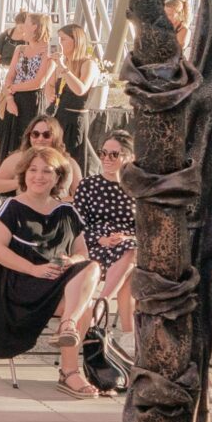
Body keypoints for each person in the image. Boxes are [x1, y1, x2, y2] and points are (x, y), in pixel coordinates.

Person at [0, 148, 97, 395]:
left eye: (47, 171)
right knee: (84, 306)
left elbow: (83, 253)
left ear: (58, 177)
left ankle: (67, 330)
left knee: (92, 268)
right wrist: (34, 270)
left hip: (55, 281)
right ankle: (70, 372)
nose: (39, 176)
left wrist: (70, 260)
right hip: (19, 284)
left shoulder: (66, 211)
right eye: (33, 170)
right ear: (24, 174)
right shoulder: (11, 208)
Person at [78, 129, 138, 343]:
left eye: (114, 154)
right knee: (129, 267)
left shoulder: (136, 190)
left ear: (129, 157)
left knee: (131, 252)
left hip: (127, 245)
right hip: (95, 246)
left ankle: (99, 305)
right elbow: (79, 224)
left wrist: (126, 237)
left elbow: (143, 228)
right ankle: (129, 335)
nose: (106, 158)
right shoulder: (88, 185)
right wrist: (100, 238)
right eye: (103, 153)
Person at [0, 12, 54, 153]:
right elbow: (10, 75)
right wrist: (9, 99)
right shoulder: (20, 49)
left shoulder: (50, 50)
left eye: (26, 23)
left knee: (29, 140)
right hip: (14, 99)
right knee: (12, 141)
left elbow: (38, 82)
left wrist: (11, 88)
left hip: (33, 100)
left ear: (35, 26)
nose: (21, 28)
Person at [51, 24, 102, 153]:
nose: (60, 44)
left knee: (72, 156)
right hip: (59, 115)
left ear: (76, 41)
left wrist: (63, 68)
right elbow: (50, 84)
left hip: (75, 118)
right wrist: (50, 94)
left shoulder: (88, 64)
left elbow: (80, 90)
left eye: (63, 39)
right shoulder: (64, 63)